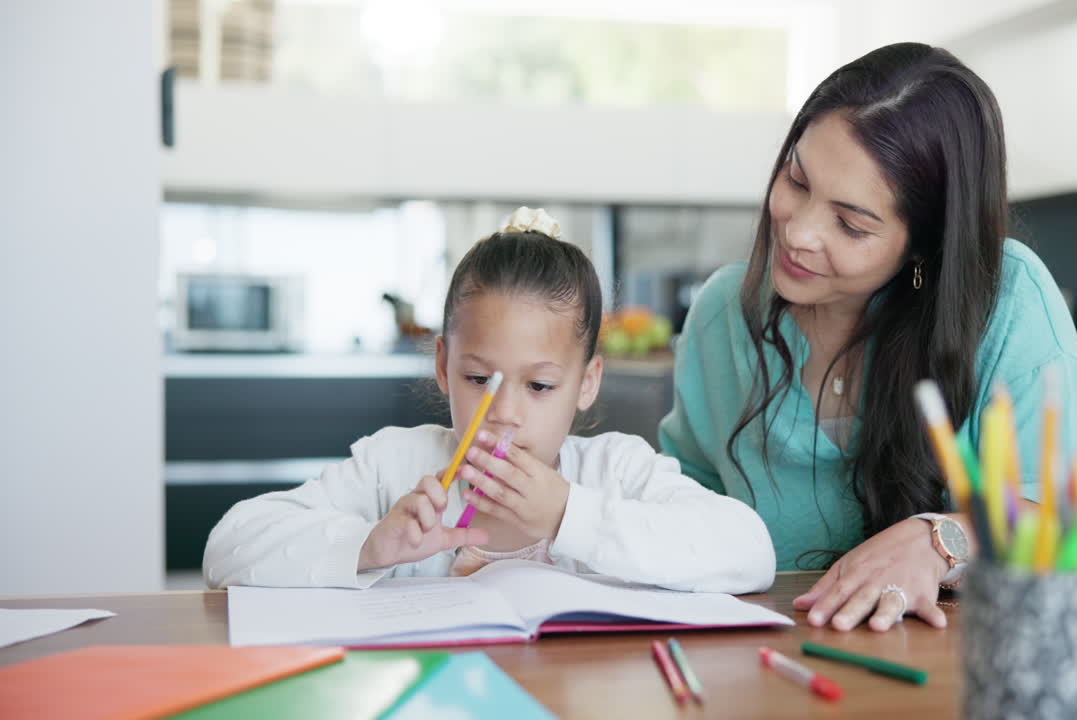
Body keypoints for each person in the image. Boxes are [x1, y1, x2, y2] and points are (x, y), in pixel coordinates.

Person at [658, 43, 1077, 631]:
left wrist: (939, 540)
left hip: (951, 670)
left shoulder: (1006, 298)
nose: (798, 233)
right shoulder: (723, 312)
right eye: (796, 180)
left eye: (850, 224)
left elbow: (1066, 518)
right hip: (770, 657)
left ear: (924, 243)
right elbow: (682, 500)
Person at [204, 207, 775, 594]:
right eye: (479, 379)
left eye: (541, 386)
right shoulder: (392, 468)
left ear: (589, 382)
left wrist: (567, 514)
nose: (503, 414)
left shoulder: (614, 471)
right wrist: (370, 544)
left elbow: (751, 553)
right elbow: (227, 547)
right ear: (444, 366)